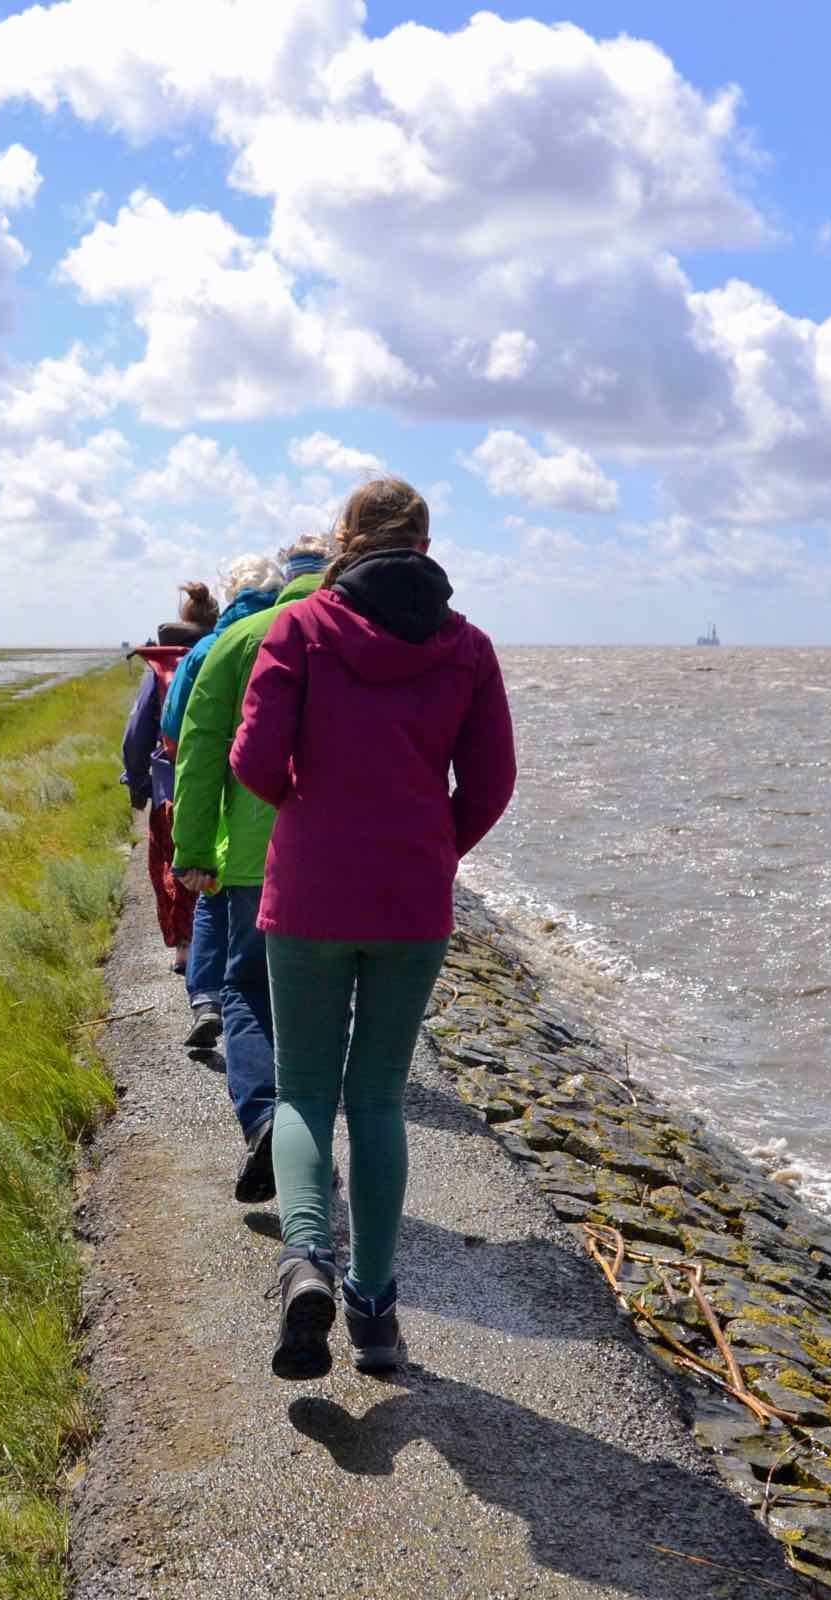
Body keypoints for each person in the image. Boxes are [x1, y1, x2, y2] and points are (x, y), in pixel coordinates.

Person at [230, 478, 516, 1379]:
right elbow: (494, 783)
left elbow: (252, 759)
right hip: (410, 898)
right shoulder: (466, 646)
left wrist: (313, 817)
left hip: (311, 891)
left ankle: (306, 1258)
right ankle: (375, 1307)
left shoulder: (302, 628)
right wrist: (433, 842)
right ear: (426, 545)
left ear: (346, 540)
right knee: (381, 1096)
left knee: (306, 1088)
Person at [170, 534, 332, 1201]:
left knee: (249, 995)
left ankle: (266, 1119)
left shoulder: (233, 643)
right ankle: (308, 1142)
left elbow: (199, 751)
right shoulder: (346, 631)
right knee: (319, 1011)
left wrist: (194, 851)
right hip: (336, 856)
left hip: (250, 856)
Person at [163, 553, 284, 1046]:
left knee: (214, 898)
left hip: (212, 795)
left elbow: (176, 731)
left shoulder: (211, 647)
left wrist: (186, 843)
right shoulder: (290, 635)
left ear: (231, 593)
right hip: (274, 810)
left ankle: (207, 999)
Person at [121, 583, 218, 967]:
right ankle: (217, 945)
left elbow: (135, 734)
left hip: (167, 786)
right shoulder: (218, 656)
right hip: (215, 780)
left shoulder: (160, 666)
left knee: (170, 865)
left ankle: (184, 949)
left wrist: (136, 780)